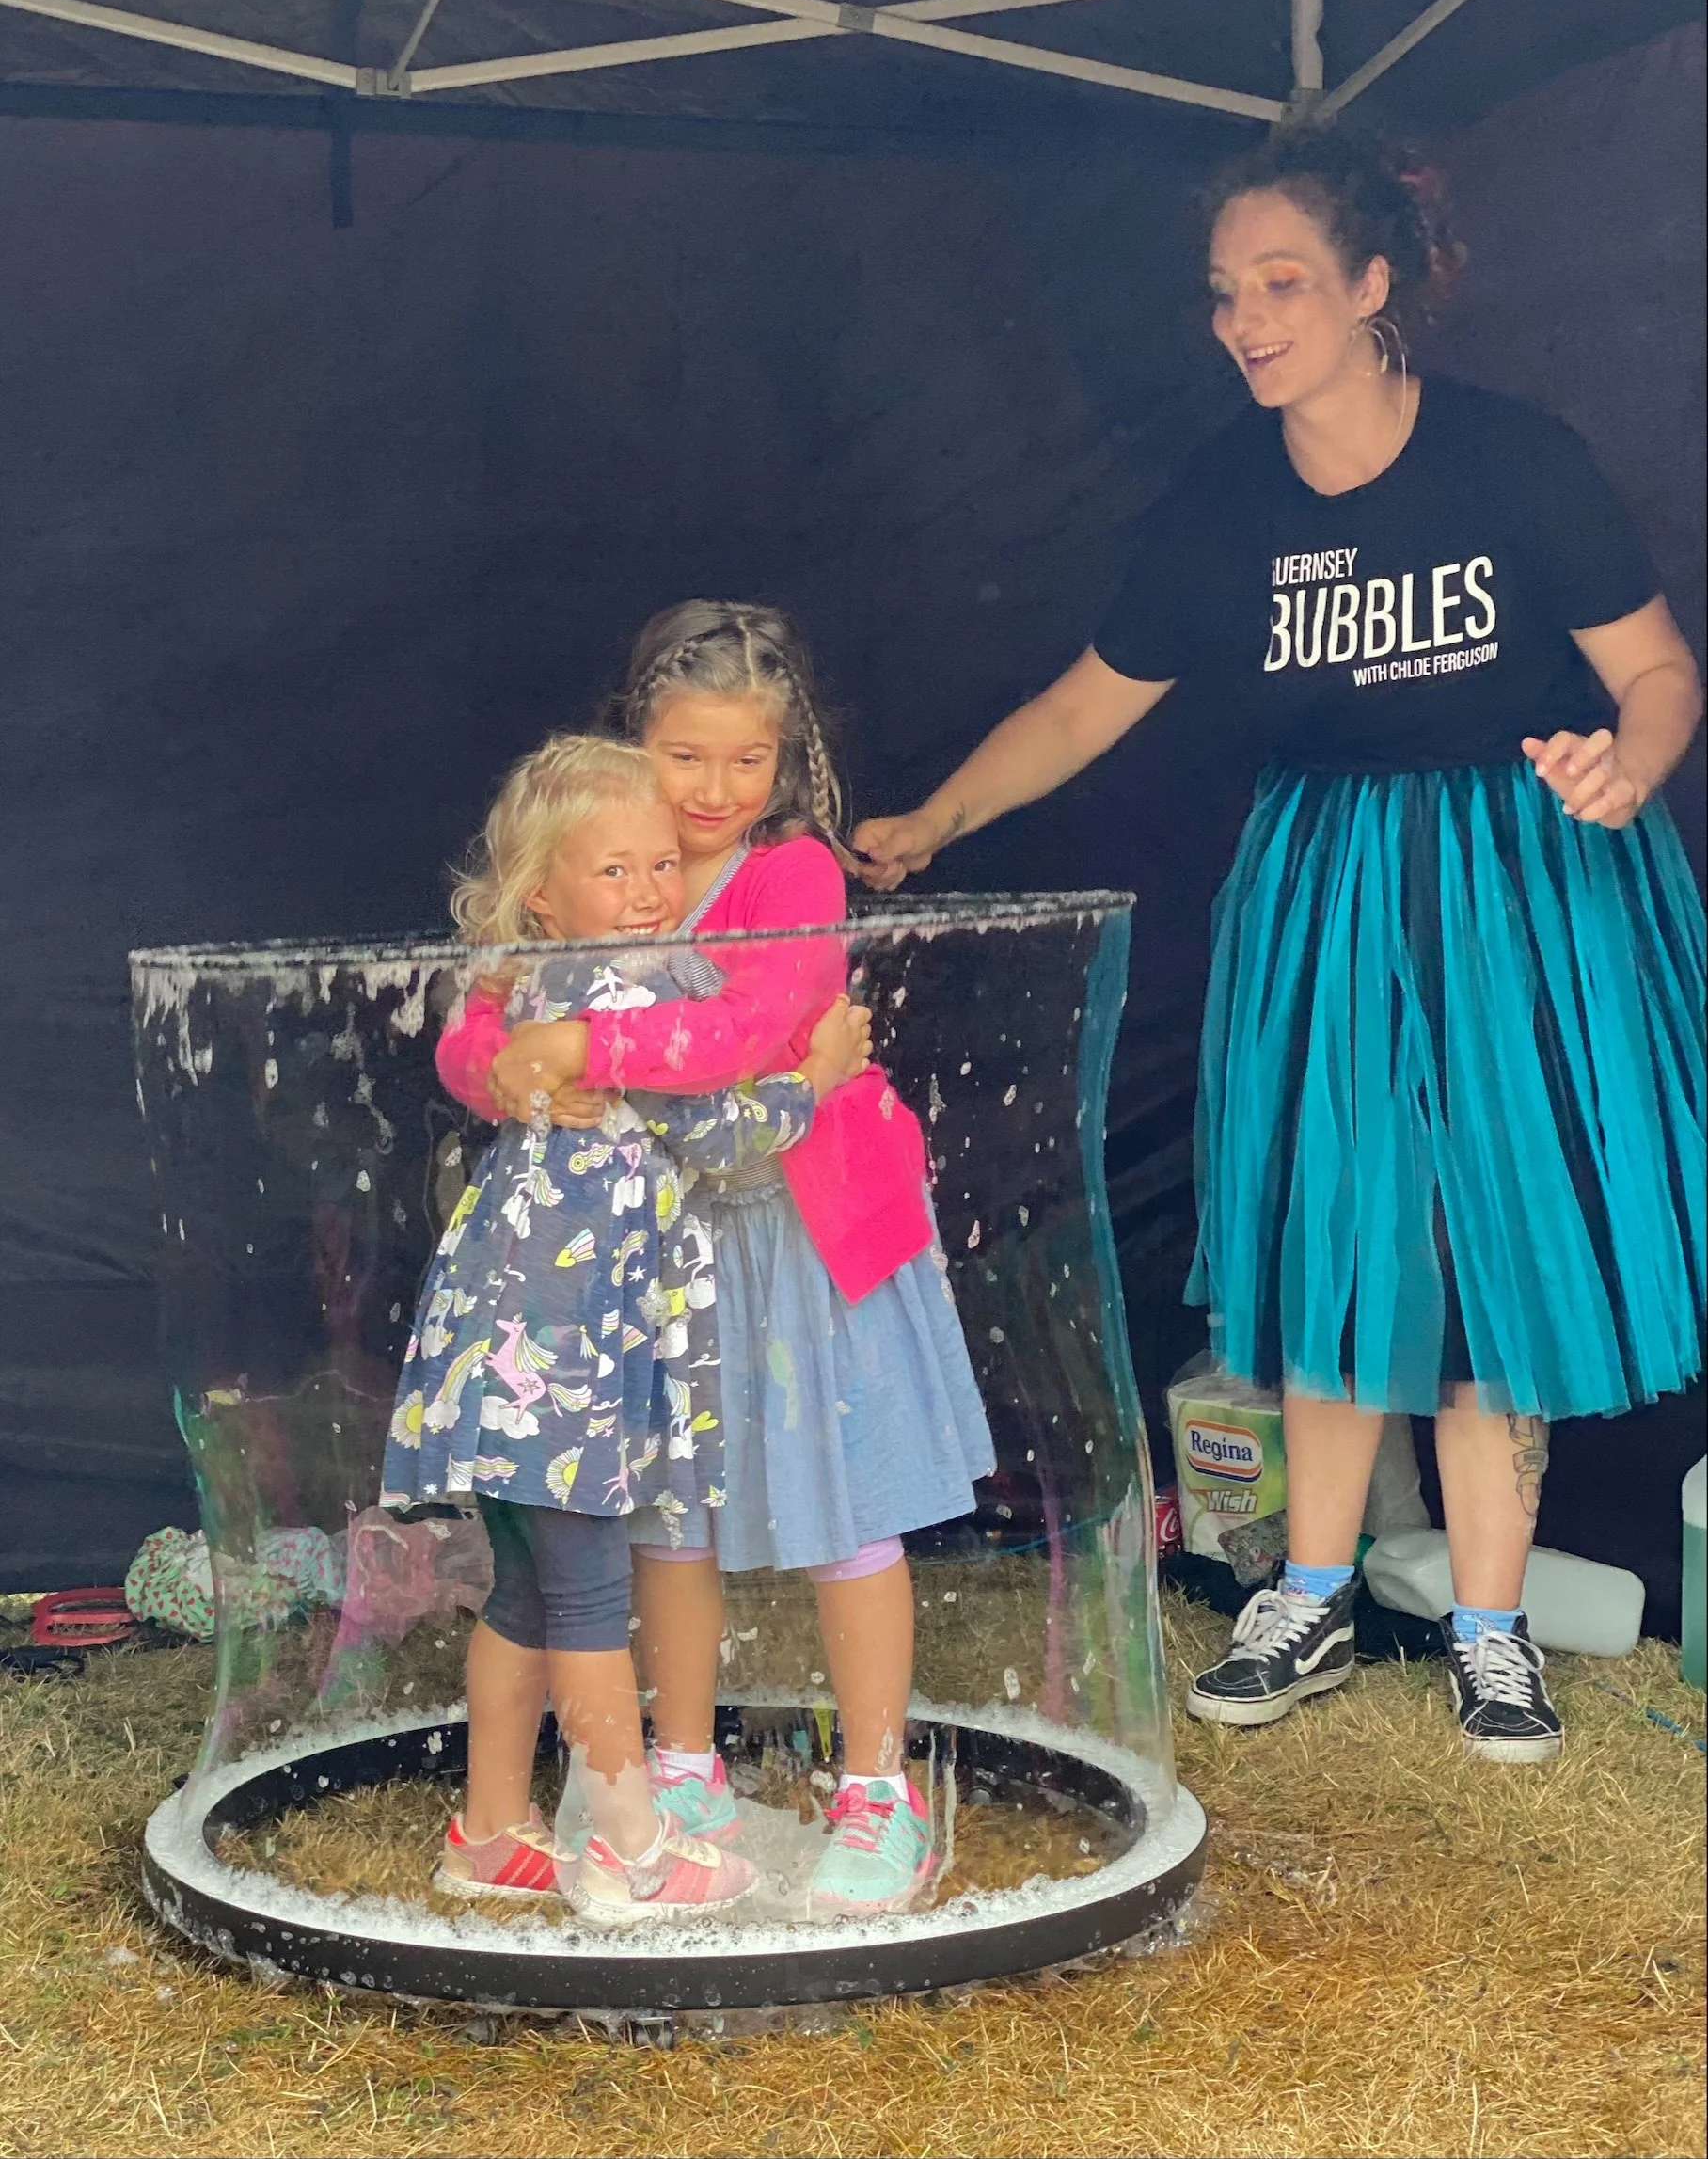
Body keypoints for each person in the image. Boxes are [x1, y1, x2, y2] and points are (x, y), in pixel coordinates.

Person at [854, 130, 1704, 1766]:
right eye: (1226, 293)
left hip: (1520, 878)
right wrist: (932, 821)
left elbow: (1658, 669)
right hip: (1325, 882)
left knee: (1486, 1254)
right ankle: (1308, 1590)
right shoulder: (1223, 502)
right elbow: (1086, 702)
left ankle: (1489, 1623)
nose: (1245, 319)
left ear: (1375, 286)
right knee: (1337, 1239)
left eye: (1283, 282)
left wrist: (1633, 759)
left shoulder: (1514, 462)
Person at [436, 604, 995, 1911]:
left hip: (803, 1236)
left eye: (749, 761)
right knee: (666, 1517)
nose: (715, 790)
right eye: (688, 756)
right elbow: (480, 1015)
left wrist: (587, 1050)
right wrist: (510, 1075)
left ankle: (875, 1787)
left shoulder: (791, 871)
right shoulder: (598, 853)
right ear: (641, 736)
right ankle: (680, 1771)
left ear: (786, 759)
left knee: (848, 1509)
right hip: (656, 1253)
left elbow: (759, 1024)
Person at [383, 732, 872, 1917]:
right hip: (572, 1358)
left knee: (526, 1596)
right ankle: (631, 1850)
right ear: (538, 893)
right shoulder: (633, 986)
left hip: (497, 1342)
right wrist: (812, 1079)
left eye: (662, 865)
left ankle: (491, 1829)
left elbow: (482, 1056)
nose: (651, 891)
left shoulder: (531, 985)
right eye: (615, 872)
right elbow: (705, 1134)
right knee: (593, 1603)